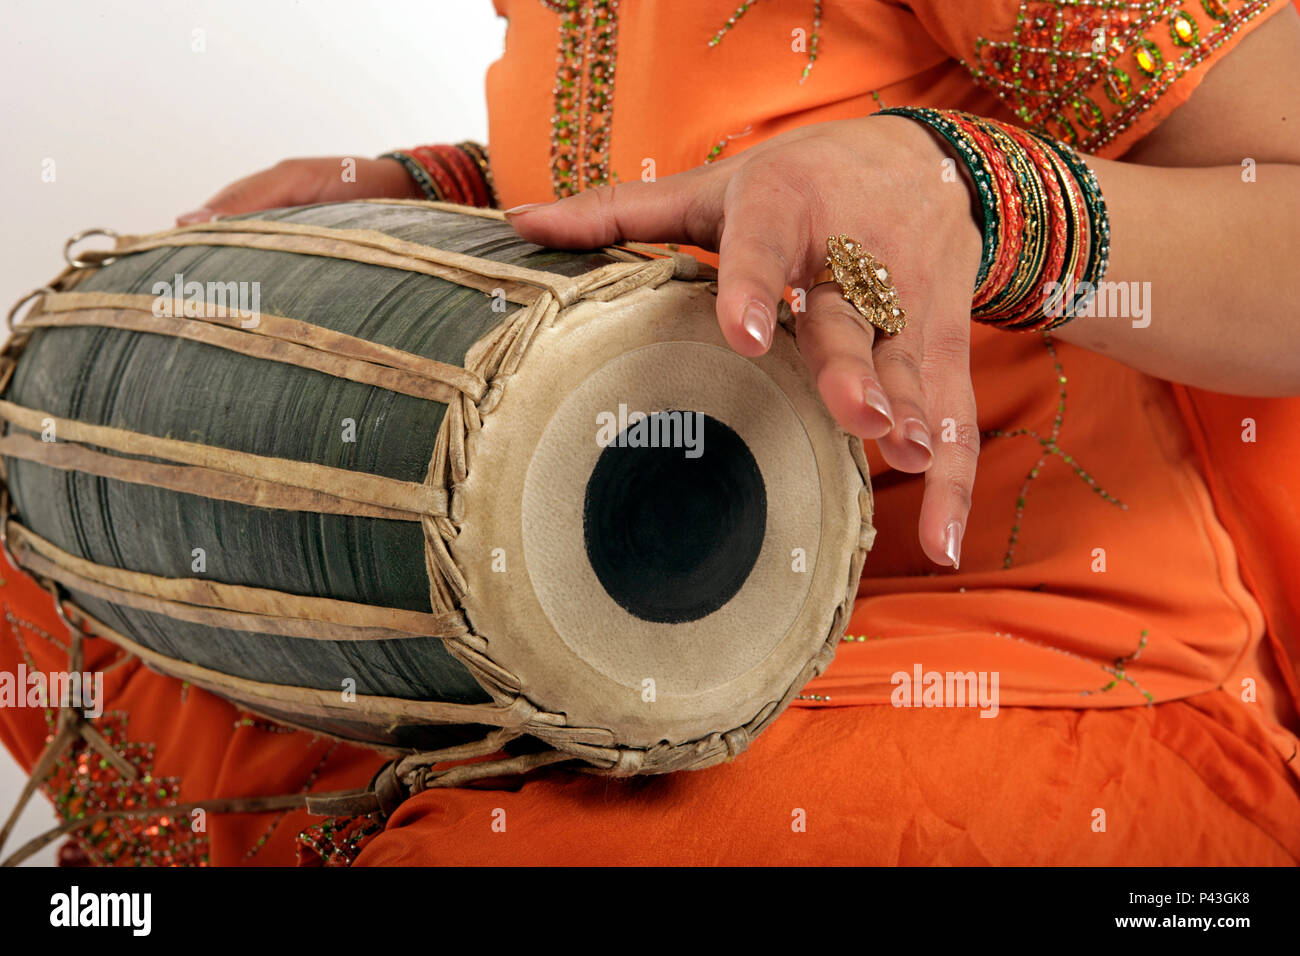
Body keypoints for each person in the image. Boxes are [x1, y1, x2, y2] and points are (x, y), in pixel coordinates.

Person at [3, 0, 1298, 865]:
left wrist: (966, 197)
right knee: (33, 534)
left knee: (489, 854)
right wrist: (425, 194)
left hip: (1056, 651)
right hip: (644, 585)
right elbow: (699, 156)